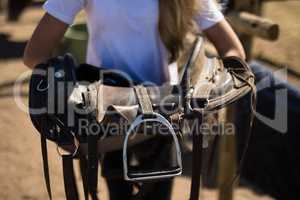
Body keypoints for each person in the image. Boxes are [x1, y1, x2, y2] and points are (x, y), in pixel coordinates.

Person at [23, 0, 246, 199]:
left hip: (163, 114)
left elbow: (233, 50)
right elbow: (35, 55)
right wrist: (71, 87)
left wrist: (206, 83)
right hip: (108, 118)